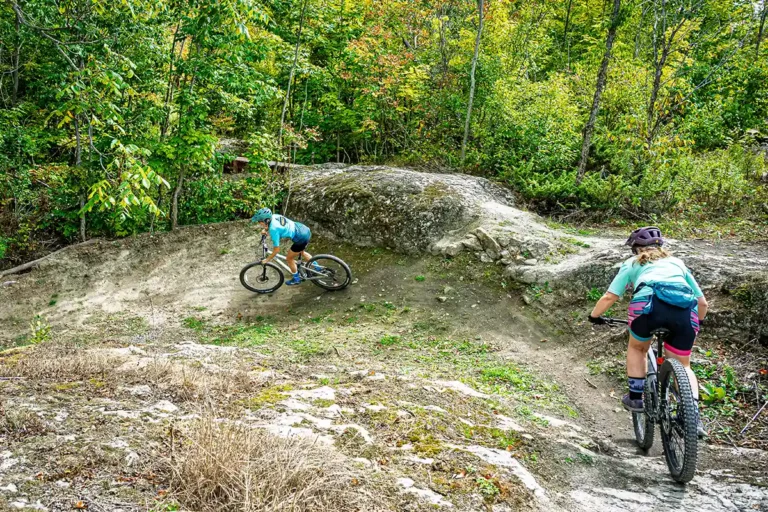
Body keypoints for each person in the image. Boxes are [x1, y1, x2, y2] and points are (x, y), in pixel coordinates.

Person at [588, 226, 708, 436]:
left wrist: (594, 316)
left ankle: (636, 397)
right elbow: (702, 303)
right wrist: (698, 321)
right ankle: (692, 416)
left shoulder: (632, 263)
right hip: (685, 312)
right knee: (684, 365)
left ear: (636, 249)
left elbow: (610, 297)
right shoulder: (677, 263)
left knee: (638, 348)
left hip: (647, 307)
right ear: (661, 246)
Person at [251, 207, 318, 286]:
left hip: (300, 237)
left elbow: (276, 250)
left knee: (289, 258)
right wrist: (265, 229)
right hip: (303, 229)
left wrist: (267, 259)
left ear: (266, 221)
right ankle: (318, 268)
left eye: (260, 221)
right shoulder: (274, 216)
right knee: (301, 251)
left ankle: (296, 279)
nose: (259, 223)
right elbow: (275, 226)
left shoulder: (273, 230)